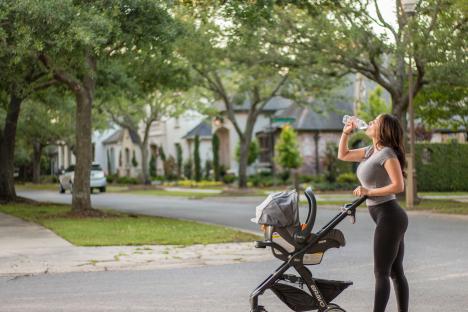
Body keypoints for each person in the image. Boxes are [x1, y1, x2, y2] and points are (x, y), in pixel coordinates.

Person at [337, 113, 409, 312]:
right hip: (386, 217)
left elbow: (398, 185)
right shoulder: (371, 151)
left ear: (383, 130)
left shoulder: (387, 153)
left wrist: (369, 191)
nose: (369, 123)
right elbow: (343, 155)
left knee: (382, 273)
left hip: (390, 216)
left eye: (374, 122)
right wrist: (345, 133)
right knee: (395, 272)